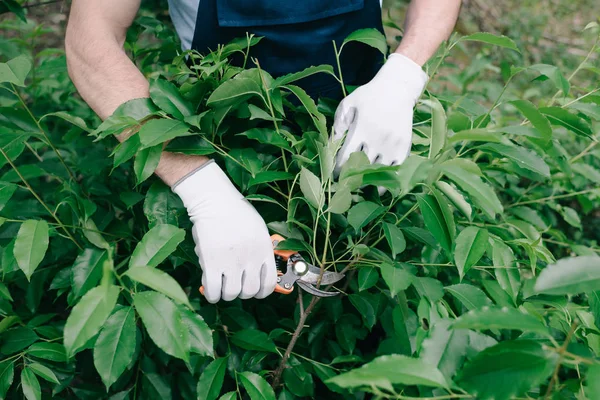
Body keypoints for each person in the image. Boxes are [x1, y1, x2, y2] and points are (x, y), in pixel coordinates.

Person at [65, 0, 461, 303]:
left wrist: (402, 78)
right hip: (217, 142)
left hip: (369, 125)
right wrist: (201, 188)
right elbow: (91, 39)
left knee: (366, 299)